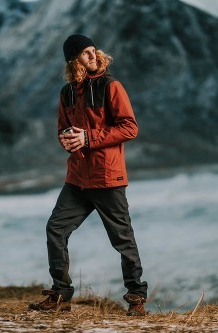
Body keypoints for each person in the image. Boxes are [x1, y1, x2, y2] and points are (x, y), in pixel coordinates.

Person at [28, 34, 148, 316]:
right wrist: (67, 140)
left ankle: (136, 298)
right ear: (73, 61)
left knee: (123, 240)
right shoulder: (66, 92)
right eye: (85, 53)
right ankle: (60, 295)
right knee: (55, 229)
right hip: (78, 179)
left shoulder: (111, 86)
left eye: (94, 50)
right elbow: (63, 130)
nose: (92, 56)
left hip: (107, 177)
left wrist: (89, 138)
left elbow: (130, 127)